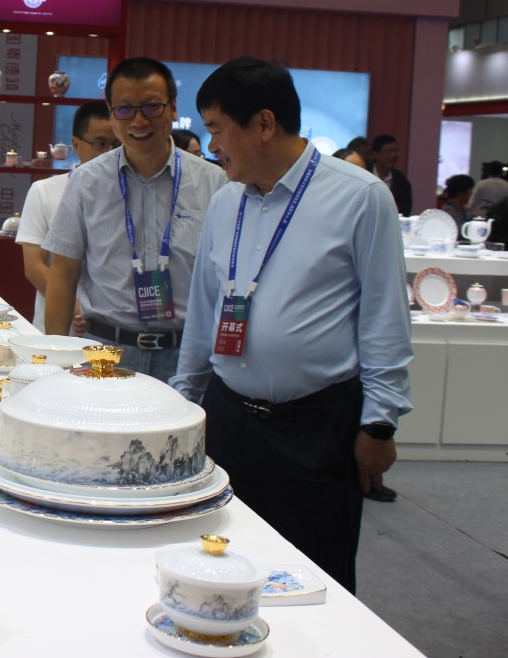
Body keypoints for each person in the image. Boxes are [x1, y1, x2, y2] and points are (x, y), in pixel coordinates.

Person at [171, 56, 412, 593]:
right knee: (219, 561)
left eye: (217, 128)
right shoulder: (225, 202)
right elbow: (207, 311)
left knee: (312, 573)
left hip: (315, 426)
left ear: (264, 123)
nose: (212, 145)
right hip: (228, 419)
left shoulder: (359, 197)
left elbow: (383, 317)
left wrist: (380, 424)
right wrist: (186, 400)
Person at [44, 57, 227, 382]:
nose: (139, 121)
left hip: (188, 357)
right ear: (111, 113)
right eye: (125, 109)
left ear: (173, 108)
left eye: (152, 107)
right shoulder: (86, 182)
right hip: (105, 354)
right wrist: (54, 365)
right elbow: (63, 273)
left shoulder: (215, 183)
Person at [16, 101, 119, 330]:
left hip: (111, 329)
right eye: (100, 144)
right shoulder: (44, 191)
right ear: (76, 144)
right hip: (60, 325)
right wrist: (75, 308)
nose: (109, 153)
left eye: (116, 144)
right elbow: (34, 266)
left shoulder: (128, 195)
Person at [370, 134, 412, 215]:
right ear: (375, 154)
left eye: (396, 151)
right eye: (388, 152)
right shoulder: (365, 174)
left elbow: (405, 210)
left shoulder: (401, 181)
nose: (393, 155)